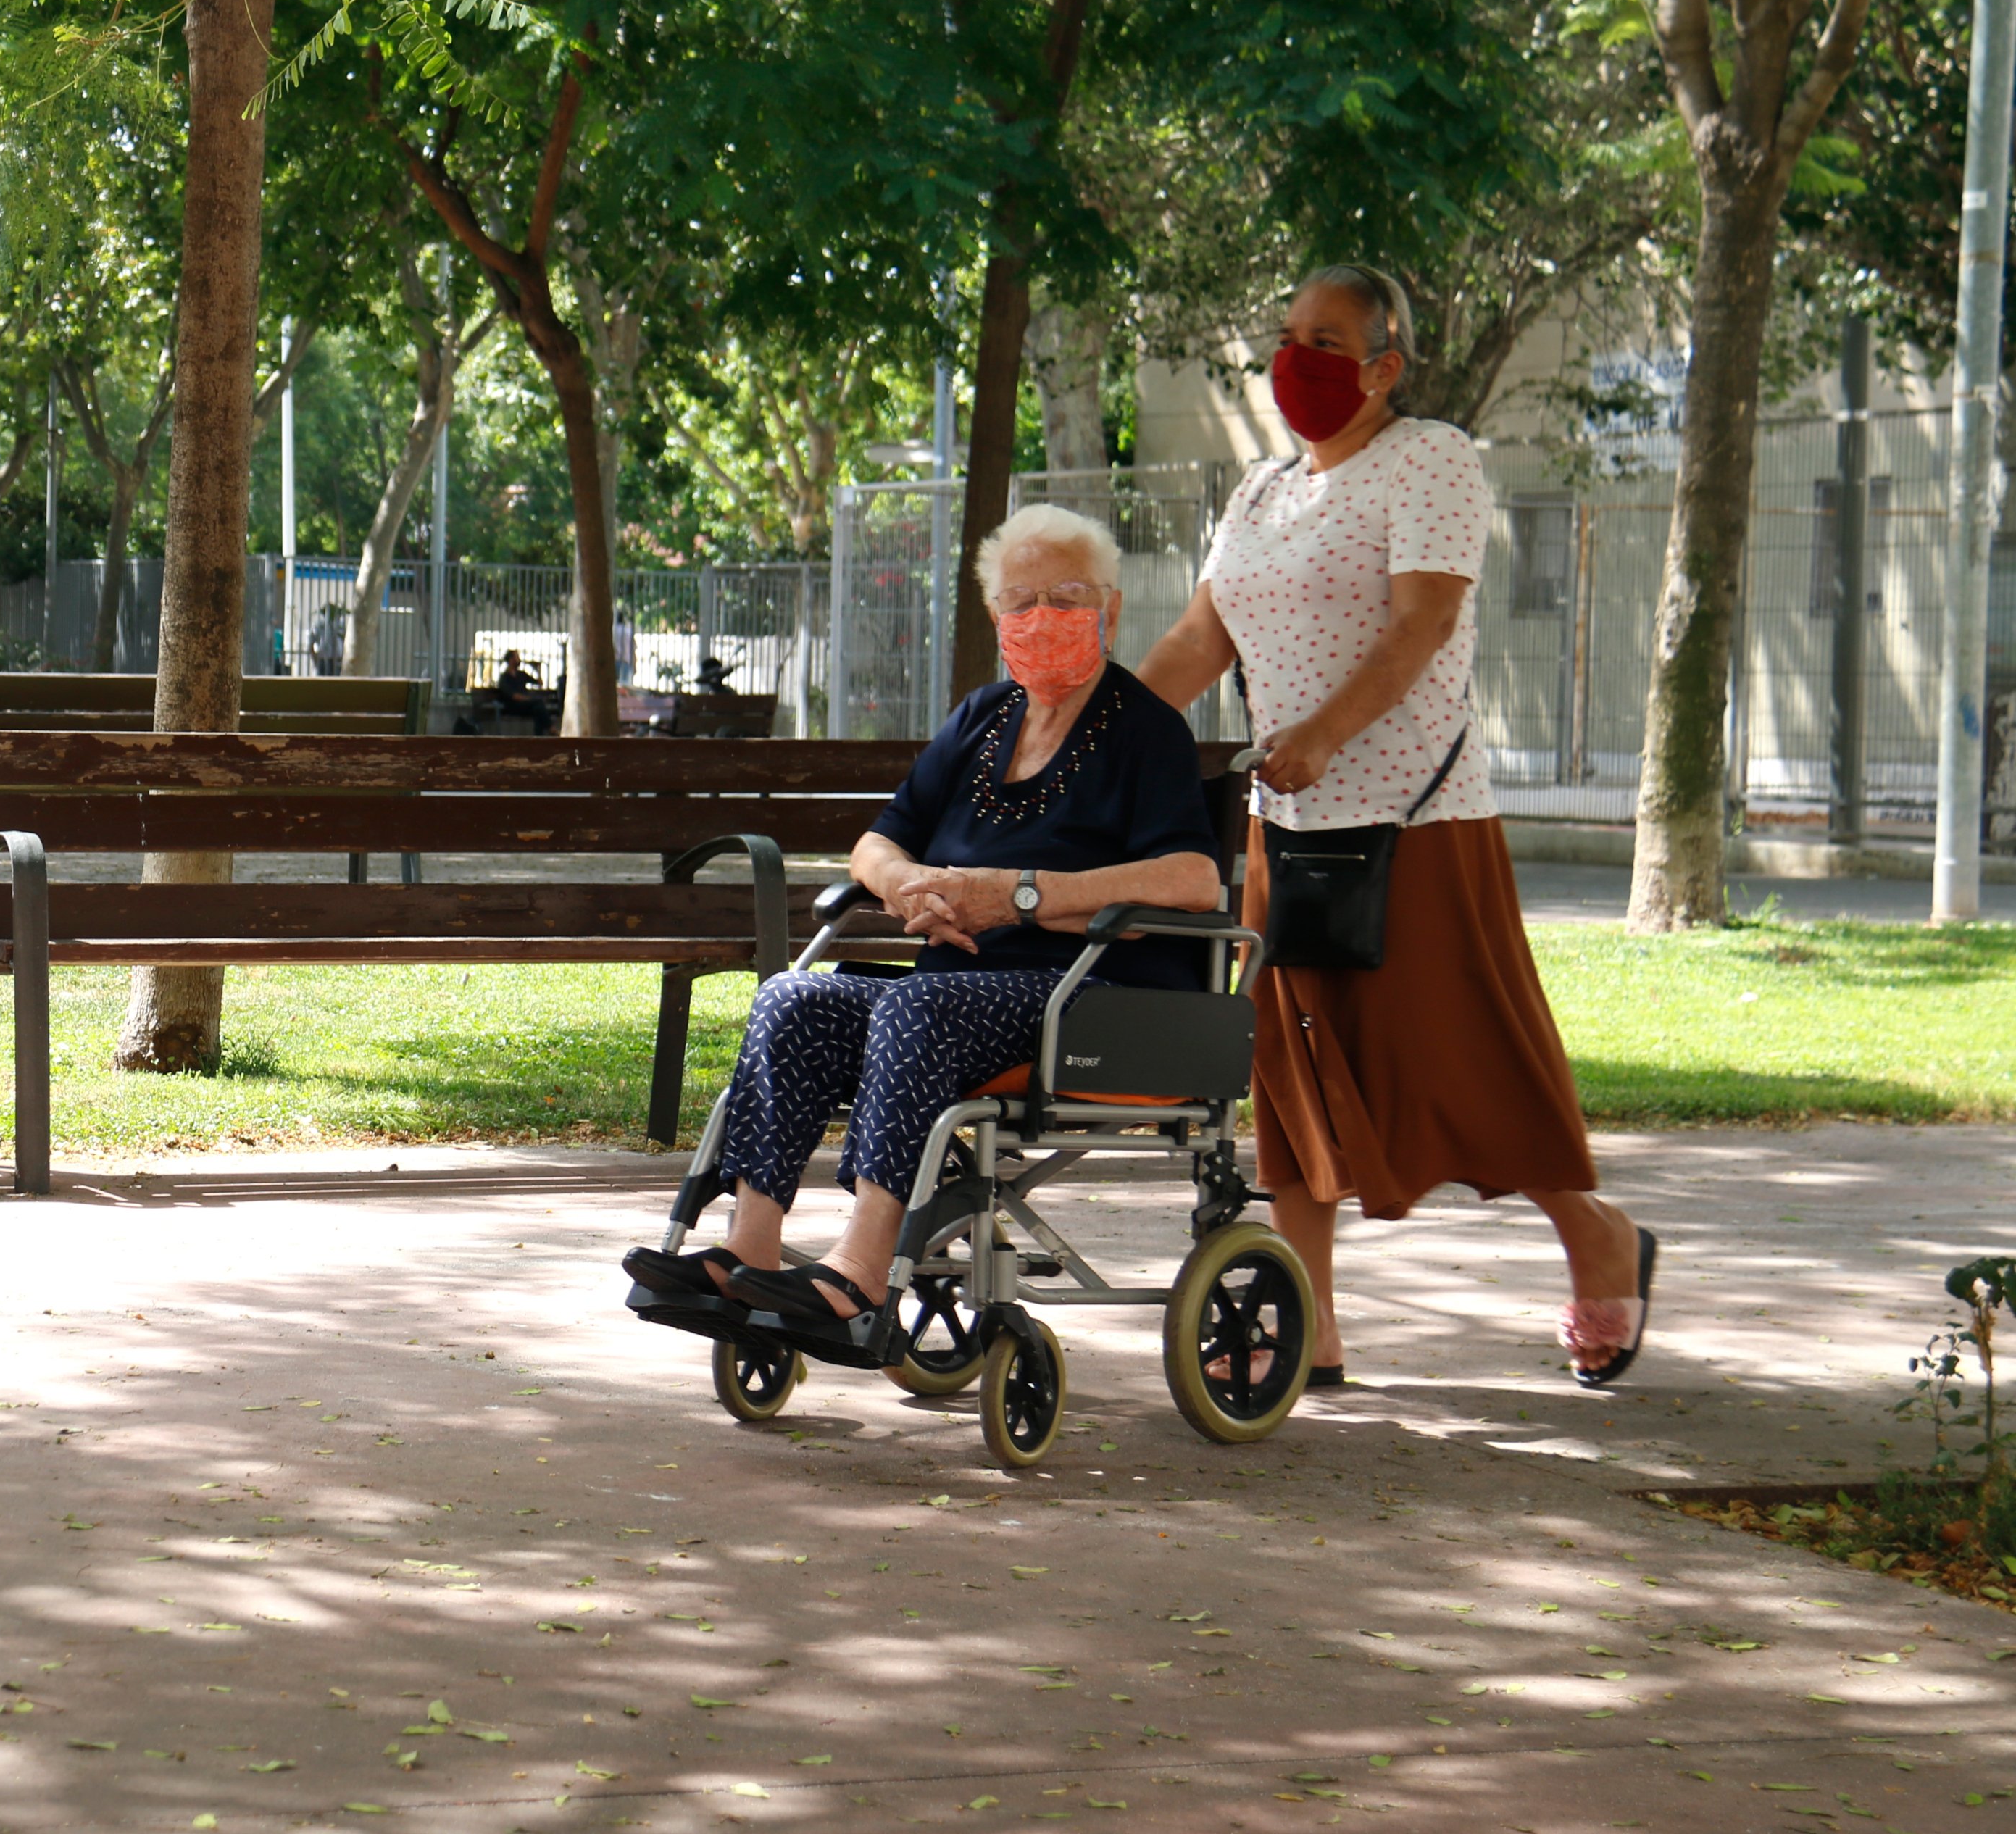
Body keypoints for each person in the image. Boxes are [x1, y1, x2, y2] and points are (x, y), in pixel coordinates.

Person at [1133, 264, 1654, 1388]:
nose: (1295, 360)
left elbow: (1420, 628)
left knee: (1458, 1059)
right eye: (1285, 336)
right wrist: (1096, 725)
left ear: (1386, 366)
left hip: (1417, 825)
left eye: (1325, 340)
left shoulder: (1431, 462)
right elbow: (1196, 643)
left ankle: (1595, 1234)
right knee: (1295, 1074)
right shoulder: (1262, 494)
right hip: (1291, 824)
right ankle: (1308, 1320)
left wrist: (1321, 730)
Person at [622, 504, 1225, 1333]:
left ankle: (863, 1271)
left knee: (916, 1008)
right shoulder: (981, 720)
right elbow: (877, 844)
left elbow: (1195, 879)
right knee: (791, 1001)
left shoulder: (1144, 728)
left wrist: (1021, 893)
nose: (1042, 616)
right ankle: (747, 1253)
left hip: (1086, 995)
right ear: (996, 617)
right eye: (1022, 601)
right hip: (959, 996)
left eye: (1067, 595)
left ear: (1111, 609)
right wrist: (905, 884)